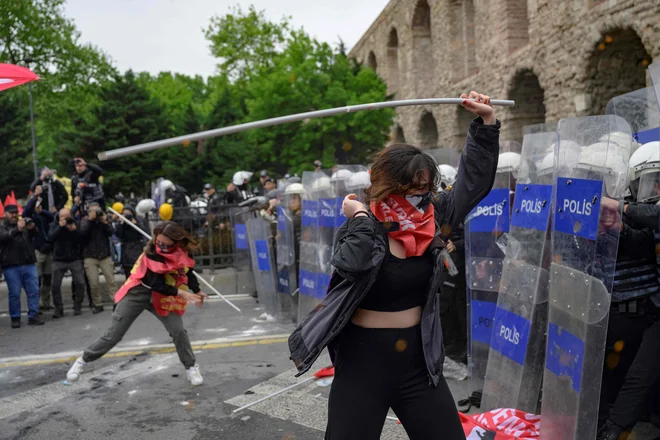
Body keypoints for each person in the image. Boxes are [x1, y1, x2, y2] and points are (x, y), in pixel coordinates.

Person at [288, 91, 500, 439]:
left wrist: (486, 124)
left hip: (417, 360)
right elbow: (352, 264)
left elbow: (472, 183)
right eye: (413, 188)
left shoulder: (435, 216)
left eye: (426, 187)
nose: (422, 196)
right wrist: (357, 217)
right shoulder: (364, 225)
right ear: (388, 185)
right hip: (362, 363)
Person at [66, 221, 209, 386]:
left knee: (178, 331)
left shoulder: (183, 251)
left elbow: (187, 271)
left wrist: (197, 290)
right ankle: (83, 360)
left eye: (165, 243)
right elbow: (157, 283)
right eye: (158, 241)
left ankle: (191, 367)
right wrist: (182, 293)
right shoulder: (152, 253)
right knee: (114, 335)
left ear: (175, 241)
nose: (160, 244)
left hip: (162, 296)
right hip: (139, 292)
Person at [0, 205, 45, 328]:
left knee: (34, 291)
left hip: (28, 263)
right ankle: (15, 317)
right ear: (5, 214)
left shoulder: (23, 225)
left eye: (16, 213)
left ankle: (33, 315)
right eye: (11, 213)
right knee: (14, 293)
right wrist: (17, 230)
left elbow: (36, 236)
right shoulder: (2, 226)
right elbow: (3, 237)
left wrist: (32, 228)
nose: (14, 215)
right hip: (11, 266)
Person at [49, 208, 86, 317]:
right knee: (55, 285)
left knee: (80, 282)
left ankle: (77, 304)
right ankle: (58, 308)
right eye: (62, 217)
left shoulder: (76, 224)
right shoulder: (54, 224)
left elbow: (82, 240)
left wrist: (74, 230)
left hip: (74, 258)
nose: (65, 219)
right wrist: (60, 227)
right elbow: (50, 238)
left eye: (67, 217)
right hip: (58, 259)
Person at [23, 190, 56, 311]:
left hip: (48, 250)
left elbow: (54, 217)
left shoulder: (44, 215)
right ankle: (35, 305)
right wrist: (33, 200)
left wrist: (42, 211)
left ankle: (46, 302)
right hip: (37, 250)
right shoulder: (30, 216)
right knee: (37, 279)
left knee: (48, 278)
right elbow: (26, 212)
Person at [80, 202, 115, 313]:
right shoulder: (85, 220)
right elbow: (82, 233)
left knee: (111, 281)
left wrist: (104, 221)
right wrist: (90, 220)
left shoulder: (103, 220)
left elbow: (111, 232)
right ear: (89, 212)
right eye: (93, 211)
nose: (96, 213)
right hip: (90, 256)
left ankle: (116, 301)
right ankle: (97, 304)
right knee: (94, 283)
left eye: (97, 211)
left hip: (104, 254)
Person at [114, 204, 148, 278]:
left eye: (128, 213)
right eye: (125, 213)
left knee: (138, 271)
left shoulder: (137, 220)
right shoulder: (121, 224)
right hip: (126, 249)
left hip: (136, 248)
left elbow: (143, 232)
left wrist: (135, 224)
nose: (127, 215)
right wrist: (121, 223)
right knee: (128, 273)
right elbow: (118, 235)